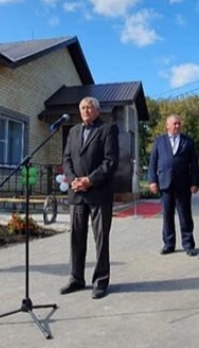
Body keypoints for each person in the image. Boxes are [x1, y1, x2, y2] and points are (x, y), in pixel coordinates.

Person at [60, 97, 119, 299]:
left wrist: (89, 180)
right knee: (76, 238)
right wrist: (72, 179)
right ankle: (76, 278)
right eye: (83, 107)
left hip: (99, 193)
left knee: (100, 239)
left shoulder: (107, 129)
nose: (86, 110)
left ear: (97, 111)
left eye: (89, 107)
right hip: (76, 193)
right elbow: (66, 159)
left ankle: (101, 281)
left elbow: (110, 161)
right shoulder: (73, 131)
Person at [148, 114, 199, 256]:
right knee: (167, 215)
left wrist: (195, 182)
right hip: (165, 184)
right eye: (174, 123)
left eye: (179, 123)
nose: (177, 126)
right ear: (167, 126)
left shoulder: (188, 141)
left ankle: (188, 244)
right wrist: (152, 181)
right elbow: (152, 162)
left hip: (183, 185)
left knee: (185, 215)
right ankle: (169, 244)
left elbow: (194, 164)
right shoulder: (159, 142)